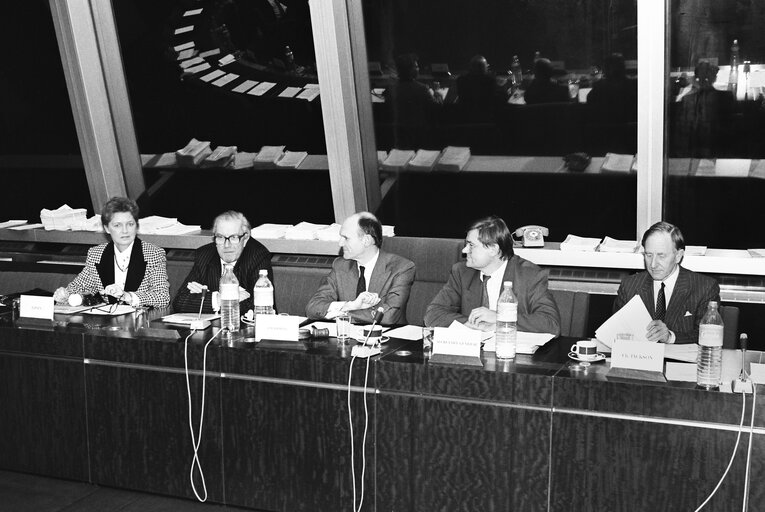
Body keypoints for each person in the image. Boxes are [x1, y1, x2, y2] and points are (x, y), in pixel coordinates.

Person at [424, 216, 560, 334]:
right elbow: (433, 313)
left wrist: (499, 318)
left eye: (471, 245)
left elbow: (551, 324)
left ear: (493, 249)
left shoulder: (530, 275)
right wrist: (472, 325)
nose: (465, 250)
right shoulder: (462, 272)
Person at [613, 221, 720, 344]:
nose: (653, 264)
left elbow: (707, 337)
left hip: (680, 363)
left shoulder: (704, 288)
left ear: (678, 256)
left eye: (661, 256)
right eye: (648, 255)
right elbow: (616, 333)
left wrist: (670, 337)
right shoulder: (629, 286)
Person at [53, 197, 170, 308]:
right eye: (117, 225)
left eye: (130, 224)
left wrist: (127, 296)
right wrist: (65, 294)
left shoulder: (153, 254)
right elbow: (79, 286)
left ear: (136, 226)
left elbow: (162, 297)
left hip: (140, 323)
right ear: (107, 228)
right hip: (108, 324)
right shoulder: (96, 254)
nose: (125, 230)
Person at [305, 212, 415, 325]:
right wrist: (350, 305)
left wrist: (343, 313)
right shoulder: (341, 265)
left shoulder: (401, 268)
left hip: (389, 338)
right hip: (349, 337)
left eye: (346, 238)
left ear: (366, 240)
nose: (340, 243)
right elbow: (313, 307)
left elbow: (389, 316)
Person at [173, 211, 273, 313]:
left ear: (245, 238)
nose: (226, 245)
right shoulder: (205, 255)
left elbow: (258, 306)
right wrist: (218, 299)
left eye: (234, 237)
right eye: (220, 237)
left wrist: (206, 298)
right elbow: (179, 302)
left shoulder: (258, 256)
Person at [383, 53, 442, 149]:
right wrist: (437, 91)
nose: (418, 69)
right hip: (419, 135)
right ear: (410, 70)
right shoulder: (421, 88)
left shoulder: (392, 89)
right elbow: (437, 107)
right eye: (416, 66)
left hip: (399, 134)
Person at [587, 53, 638, 123]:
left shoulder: (599, 90)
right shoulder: (633, 86)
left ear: (606, 70)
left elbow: (590, 104)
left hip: (606, 128)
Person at [454, 55, 505, 121]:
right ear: (483, 67)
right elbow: (498, 99)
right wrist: (501, 87)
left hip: (466, 118)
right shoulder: (490, 81)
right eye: (486, 66)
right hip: (487, 119)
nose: (488, 67)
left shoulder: (461, 80)